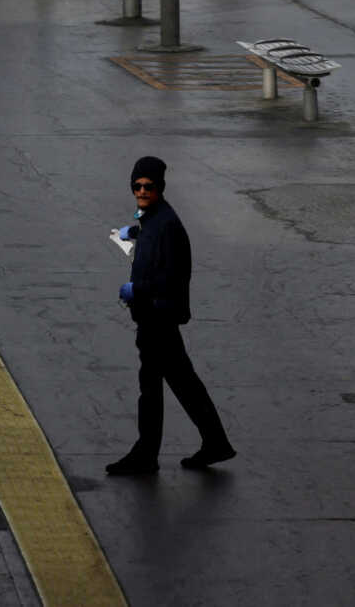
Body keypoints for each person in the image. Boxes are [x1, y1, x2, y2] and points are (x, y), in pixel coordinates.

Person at [107, 155, 233, 476]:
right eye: (137, 186)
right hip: (154, 317)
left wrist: (136, 290)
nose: (142, 190)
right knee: (181, 383)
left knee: (152, 388)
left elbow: (170, 278)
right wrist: (133, 233)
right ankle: (214, 442)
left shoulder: (167, 225)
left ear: (160, 187)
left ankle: (146, 454)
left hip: (158, 318)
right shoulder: (152, 219)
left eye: (149, 186)